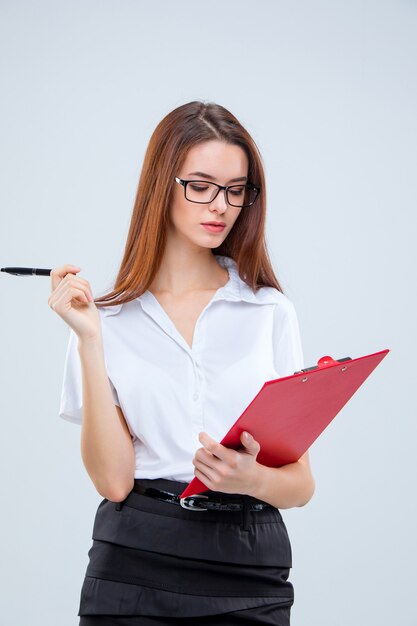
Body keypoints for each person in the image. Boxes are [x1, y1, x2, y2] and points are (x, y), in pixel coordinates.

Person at [50, 100, 315, 626]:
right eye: (200, 185)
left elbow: (301, 483)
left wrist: (251, 479)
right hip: (135, 560)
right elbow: (114, 483)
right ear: (160, 186)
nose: (220, 205)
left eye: (236, 190)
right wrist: (89, 342)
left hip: (248, 559)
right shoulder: (107, 320)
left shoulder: (268, 312)